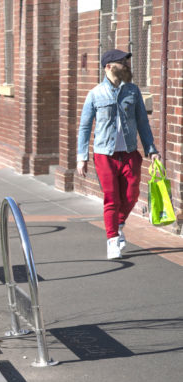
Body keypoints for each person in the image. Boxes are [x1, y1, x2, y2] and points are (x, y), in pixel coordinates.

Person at [77, 49, 160, 259]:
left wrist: (151, 149)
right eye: (122, 62)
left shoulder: (132, 91)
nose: (126, 66)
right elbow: (85, 127)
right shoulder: (95, 94)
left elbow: (142, 122)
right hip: (105, 154)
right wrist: (82, 156)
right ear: (108, 67)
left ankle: (119, 223)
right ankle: (112, 240)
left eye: (126, 62)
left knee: (131, 194)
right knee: (111, 198)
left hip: (130, 153)